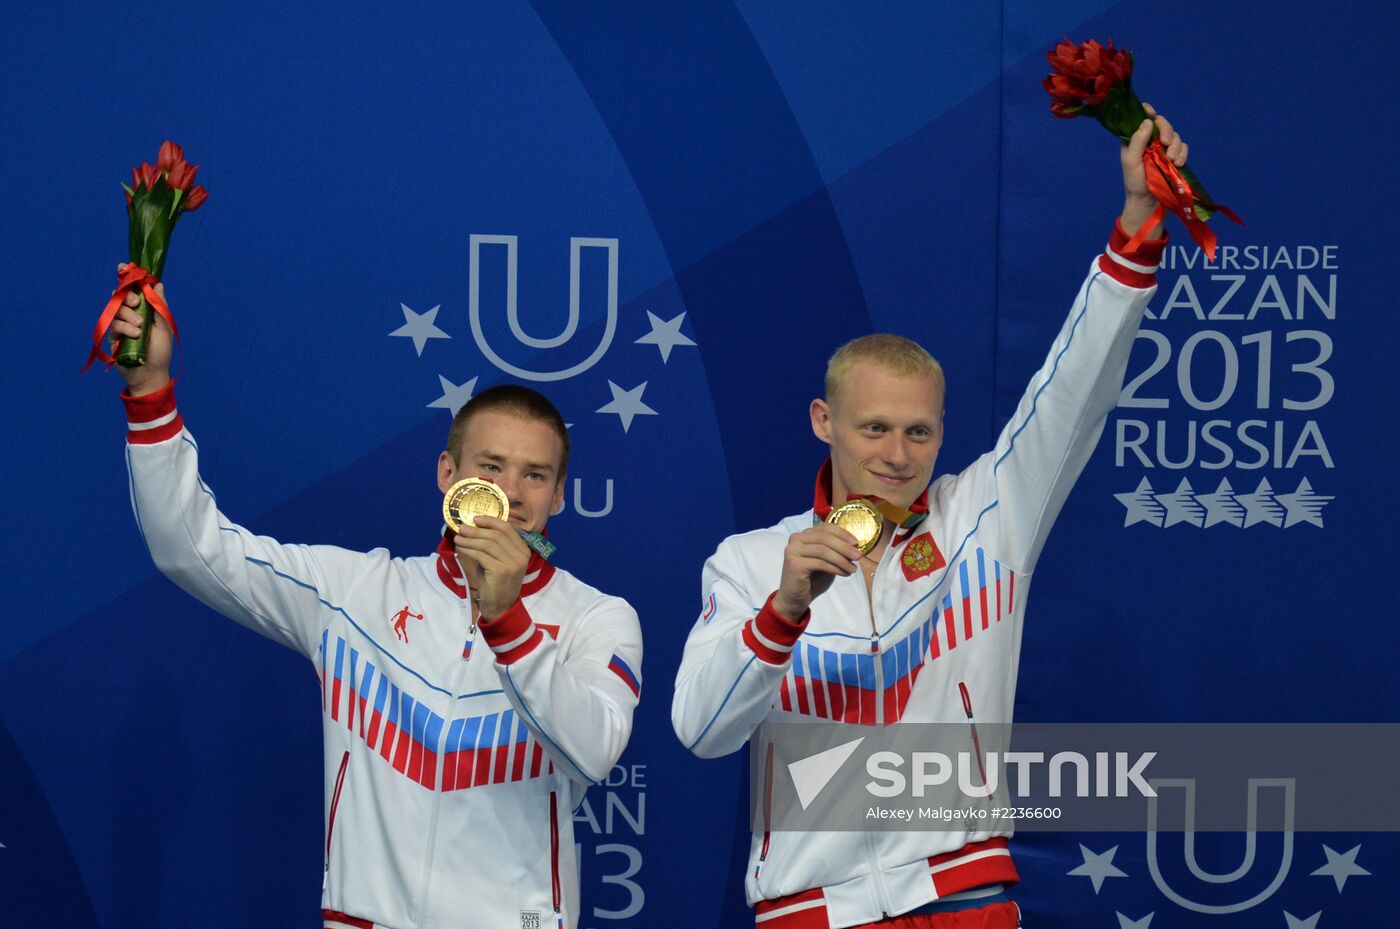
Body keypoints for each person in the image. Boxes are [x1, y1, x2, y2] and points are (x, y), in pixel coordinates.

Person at [672, 107, 1188, 928]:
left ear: (942, 433)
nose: (898, 453)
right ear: (823, 421)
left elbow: (1074, 392)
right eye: (874, 427)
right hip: (812, 911)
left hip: (961, 896)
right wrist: (783, 612)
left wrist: (1136, 227)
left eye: (920, 430)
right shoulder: (749, 560)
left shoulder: (986, 513)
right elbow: (701, 730)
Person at [107, 293, 643, 929]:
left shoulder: (598, 619)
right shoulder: (359, 593)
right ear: (449, 474)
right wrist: (150, 390)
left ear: (558, 496)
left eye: (534, 476)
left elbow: (592, 753)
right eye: (490, 466)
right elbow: (190, 548)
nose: (509, 494)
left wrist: (508, 624)